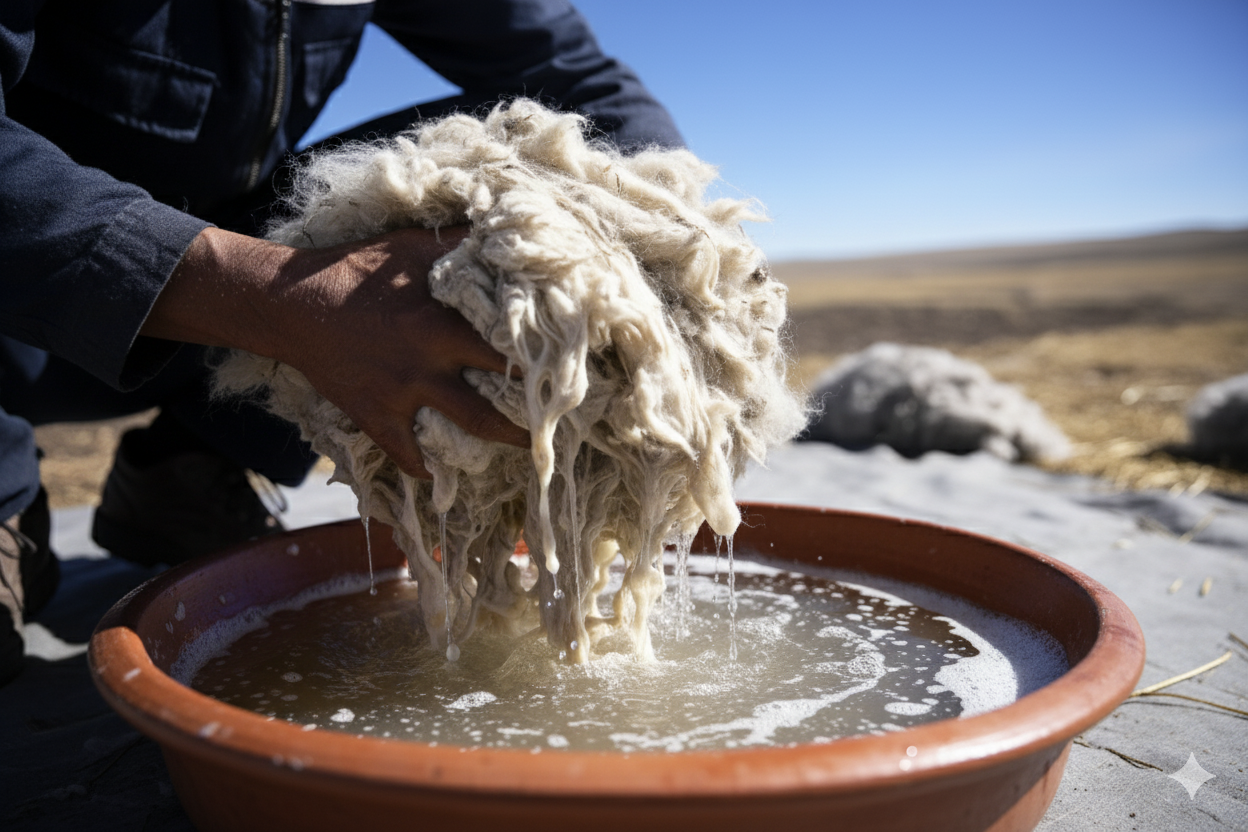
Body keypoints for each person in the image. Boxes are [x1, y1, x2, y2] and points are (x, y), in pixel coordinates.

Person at [0, 0, 684, 684]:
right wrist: (287, 297)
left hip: (205, 338)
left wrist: (689, 251)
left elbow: (581, 80)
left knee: (494, 163)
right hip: (24, 318)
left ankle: (197, 460)